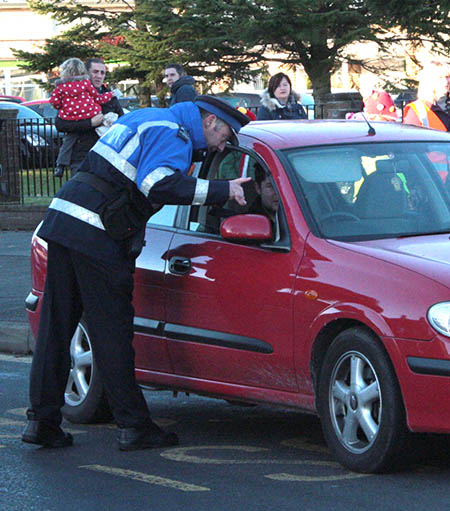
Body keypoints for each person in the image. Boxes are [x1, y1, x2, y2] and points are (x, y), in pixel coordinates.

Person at [22, 96, 250, 451]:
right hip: (97, 233)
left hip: (64, 220)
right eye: (227, 135)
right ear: (210, 122)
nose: (225, 144)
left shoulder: (148, 117)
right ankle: (134, 425)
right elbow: (157, 184)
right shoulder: (175, 134)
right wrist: (223, 189)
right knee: (111, 330)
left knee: (57, 325)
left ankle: (42, 421)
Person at [54, 58, 124, 174]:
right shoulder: (72, 94)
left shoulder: (110, 97)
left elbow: (122, 122)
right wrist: (90, 123)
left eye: (102, 73)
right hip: (81, 156)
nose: (99, 76)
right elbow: (61, 124)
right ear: (86, 73)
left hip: (107, 155)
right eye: (95, 72)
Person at [403, 60, 450, 135]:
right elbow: (412, 143)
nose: (446, 81)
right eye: (440, 77)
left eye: (447, 77)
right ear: (428, 81)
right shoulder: (416, 111)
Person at [249, 163, 280, 241]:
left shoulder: (303, 218)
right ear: (258, 188)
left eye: (281, 185)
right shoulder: (250, 222)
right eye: (270, 186)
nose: (278, 192)